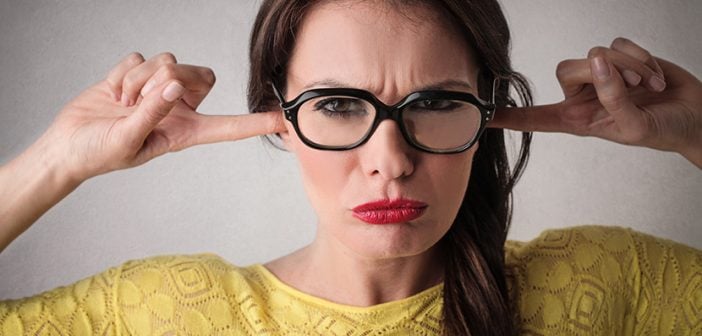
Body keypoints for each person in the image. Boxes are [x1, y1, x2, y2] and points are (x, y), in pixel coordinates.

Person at [1, 0, 701, 335]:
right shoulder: (171, 314)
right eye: (338, 105)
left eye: (435, 103)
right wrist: (58, 160)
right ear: (279, 113)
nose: (390, 163)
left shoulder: (603, 287)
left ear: (489, 112)